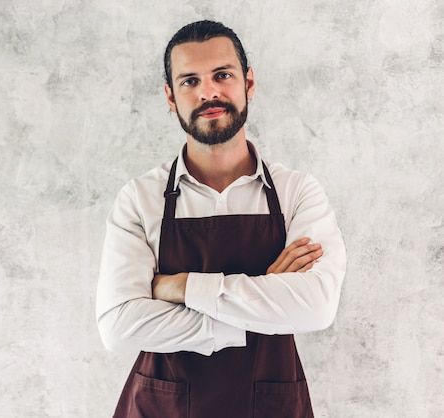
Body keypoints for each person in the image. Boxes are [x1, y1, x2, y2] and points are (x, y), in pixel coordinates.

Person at [96, 20, 346, 418]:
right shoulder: (139, 199)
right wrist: (264, 297)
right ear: (170, 96)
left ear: (248, 82)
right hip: (161, 407)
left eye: (222, 75)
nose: (208, 92)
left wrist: (179, 287)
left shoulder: (297, 192)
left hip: (270, 405)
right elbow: (119, 326)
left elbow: (315, 307)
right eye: (189, 81)